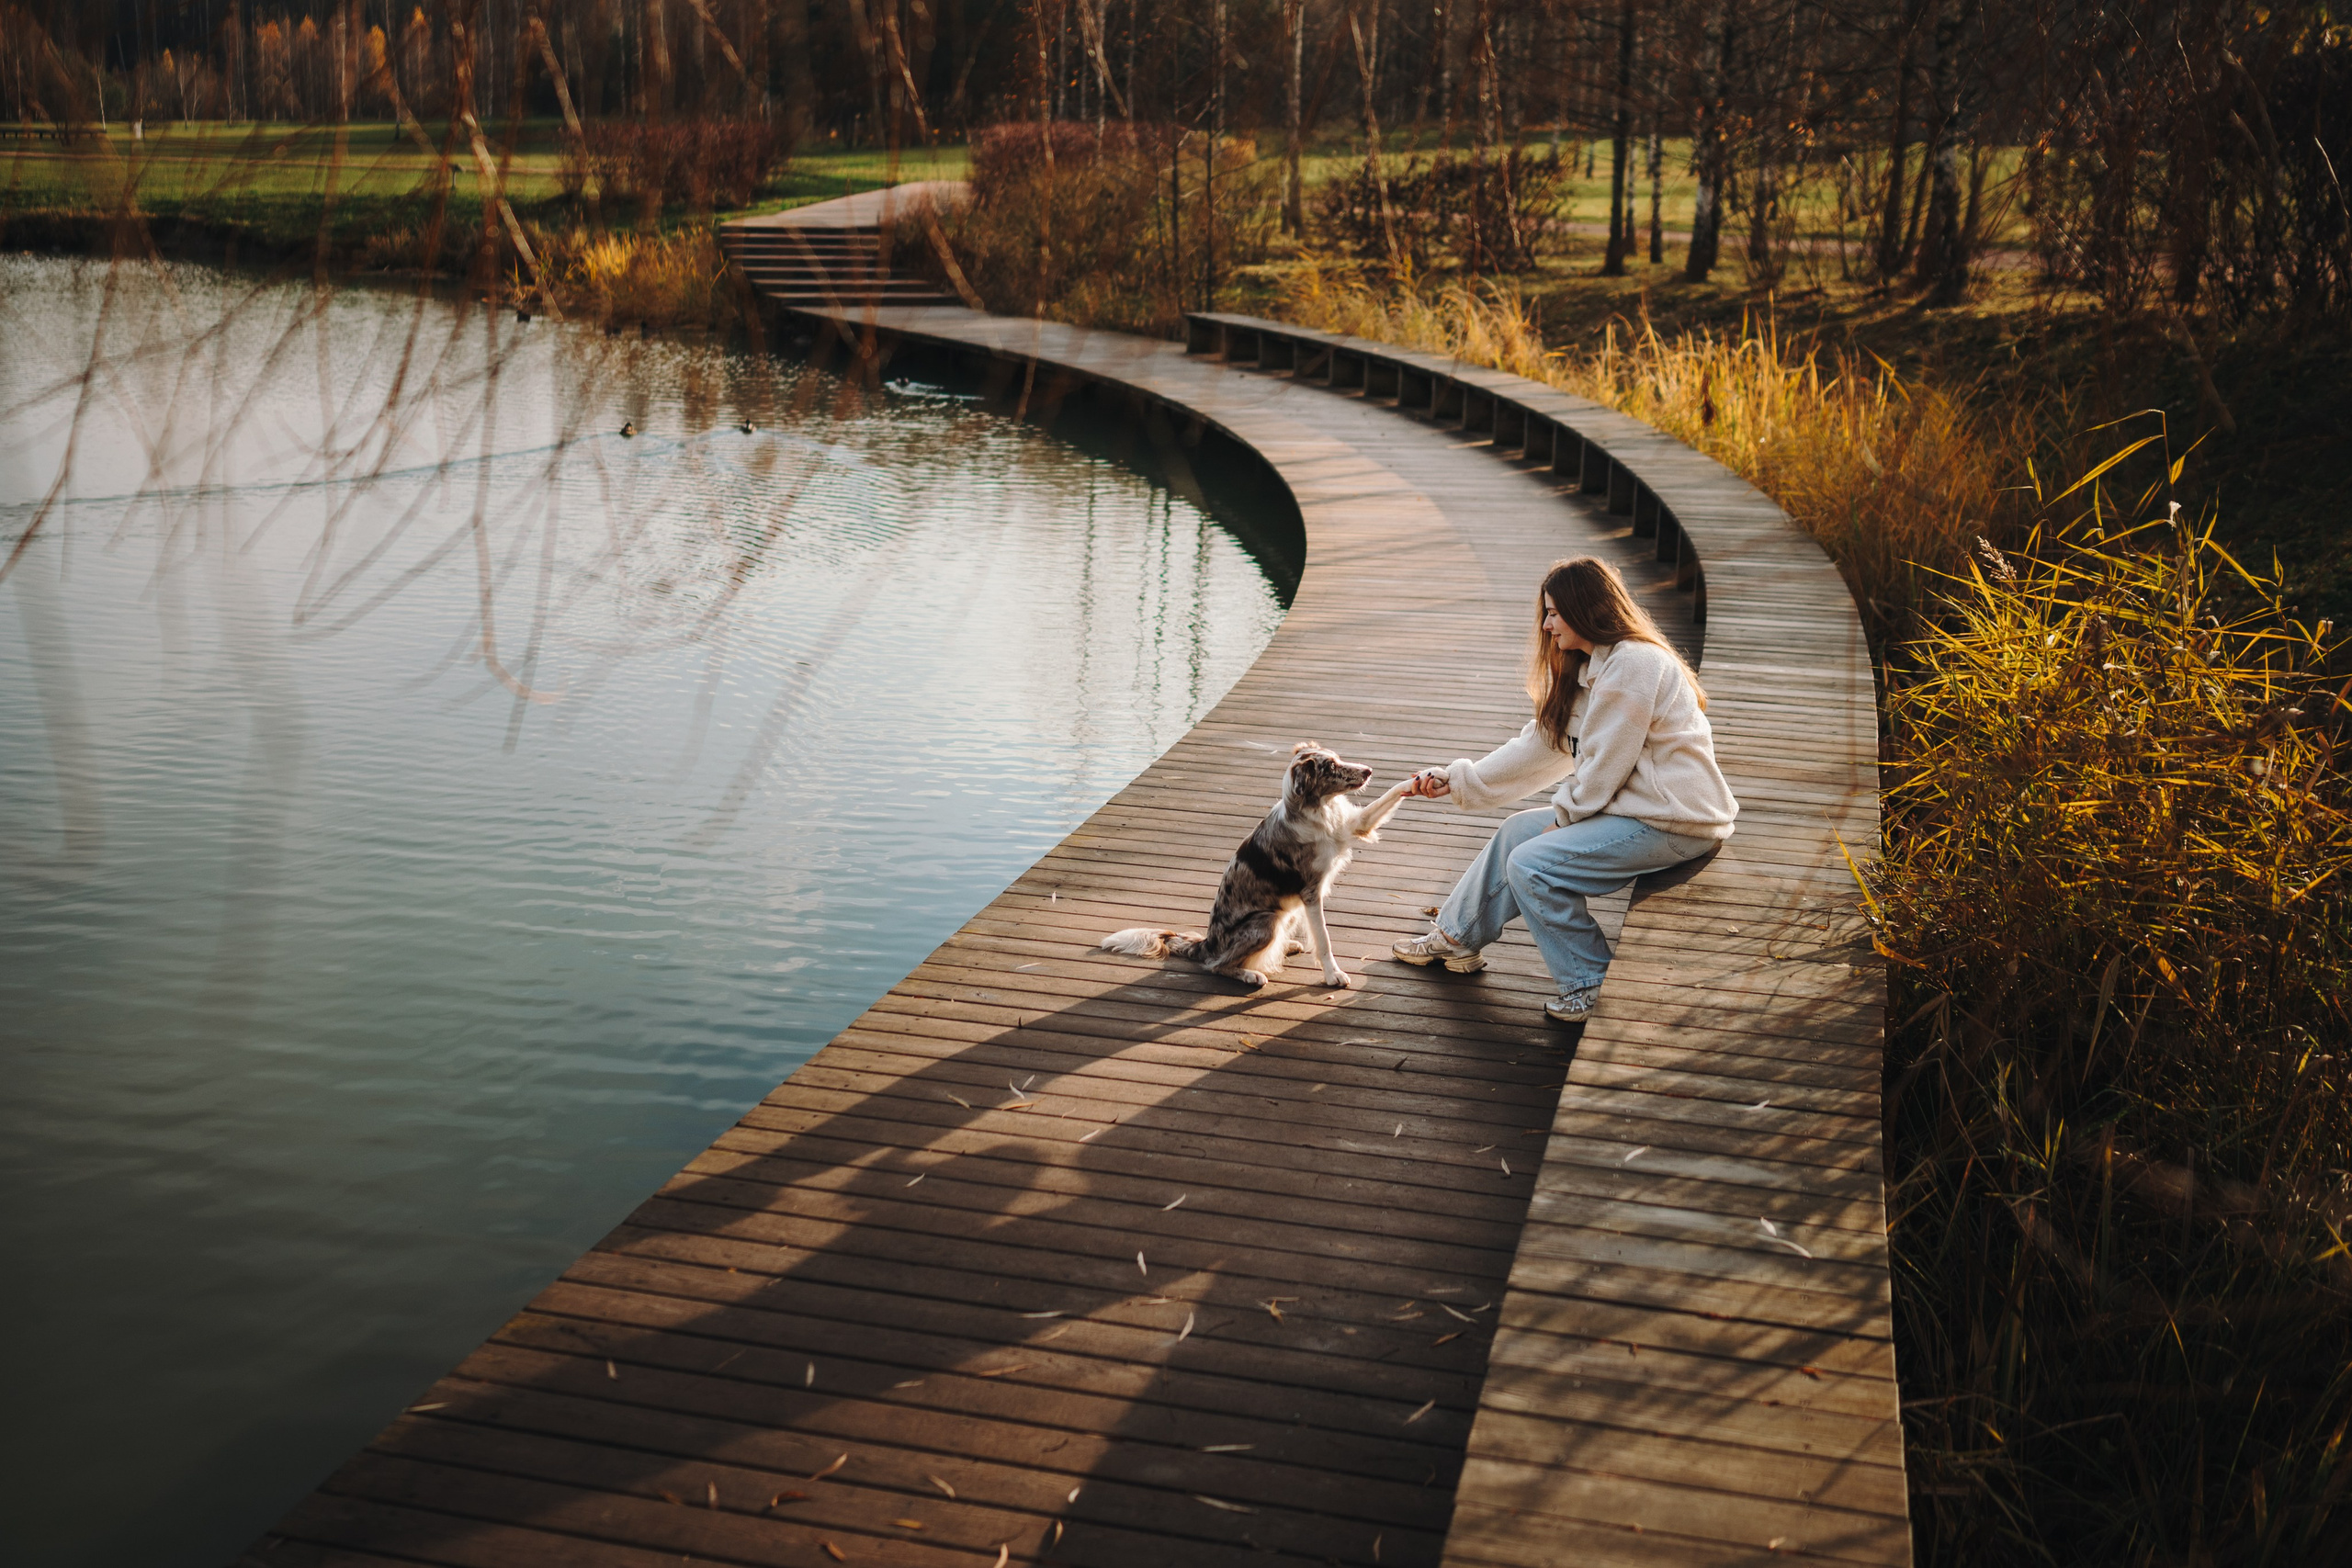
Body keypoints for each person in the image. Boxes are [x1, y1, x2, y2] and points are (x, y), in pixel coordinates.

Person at [1392, 556, 1737, 1024]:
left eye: (1554, 612)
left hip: (1676, 820)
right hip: (1636, 810)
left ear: (1585, 608)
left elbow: (1605, 764)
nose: (1546, 625)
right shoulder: (1590, 669)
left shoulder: (1635, 664)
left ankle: (1589, 983)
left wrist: (1565, 818)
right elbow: (1540, 747)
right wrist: (1457, 779)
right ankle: (1456, 938)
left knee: (1532, 864)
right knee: (1516, 833)